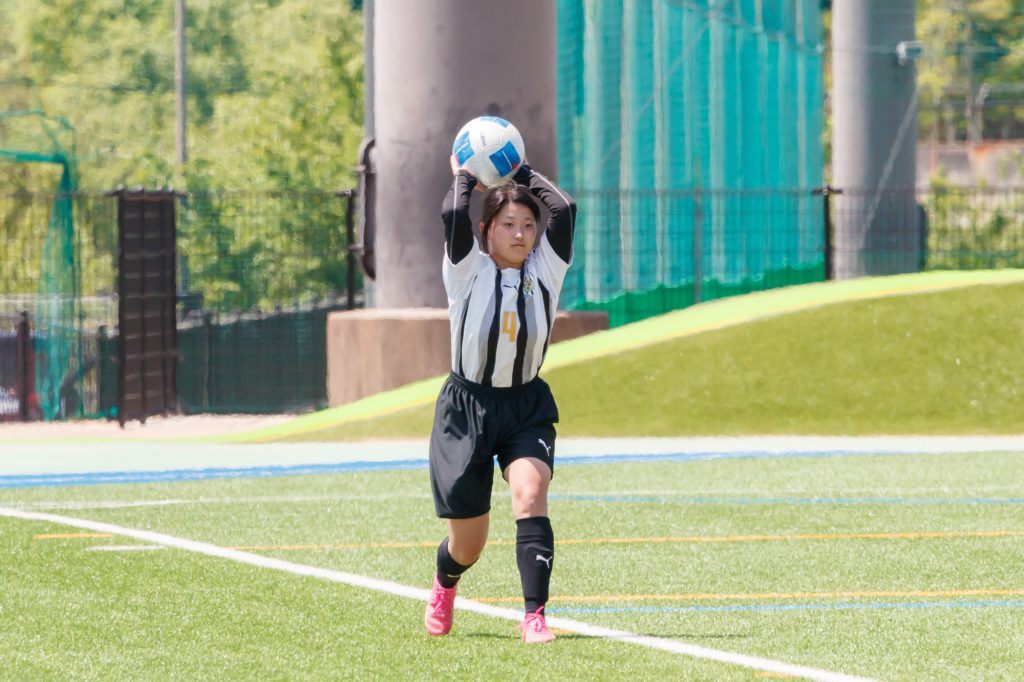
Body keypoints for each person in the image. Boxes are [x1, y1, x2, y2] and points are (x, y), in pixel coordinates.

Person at [424, 153, 576, 643]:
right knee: (468, 546)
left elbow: (564, 209)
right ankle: (446, 581)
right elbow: (453, 213)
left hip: (525, 406)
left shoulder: (546, 269)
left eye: (528, 225)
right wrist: (466, 175)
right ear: (486, 231)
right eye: (508, 224)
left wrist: (521, 171)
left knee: (530, 494)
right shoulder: (466, 270)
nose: (520, 234)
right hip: (466, 410)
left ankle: (534, 615)